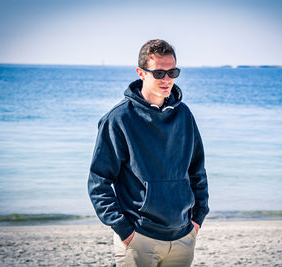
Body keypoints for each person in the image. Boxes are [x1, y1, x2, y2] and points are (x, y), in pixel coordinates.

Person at [88, 39, 209, 267]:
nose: (167, 80)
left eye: (172, 72)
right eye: (159, 73)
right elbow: (99, 182)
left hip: (183, 236)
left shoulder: (184, 115)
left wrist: (198, 218)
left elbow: (197, 170)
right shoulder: (119, 119)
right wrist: (124, 230)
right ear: (141, 73)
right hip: (139, 237)